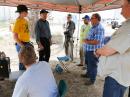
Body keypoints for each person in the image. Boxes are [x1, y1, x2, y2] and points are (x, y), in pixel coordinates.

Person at [96, 0, 130, 97]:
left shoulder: (128, 27)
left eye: (123, 5)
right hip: (120, 75)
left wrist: (97, 50)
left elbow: (108, 50)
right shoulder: (127, 25)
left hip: (116, 77)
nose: (121, 9)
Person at [81, 13, 105, 85]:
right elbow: (91, 37)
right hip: (88, 50)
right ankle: (88, 74)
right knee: (88, 64)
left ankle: (92, 80)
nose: (90, 20)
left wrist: (86, 41)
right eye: (91, 18)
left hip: (93, 51)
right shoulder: (93, 27)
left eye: (92, 18)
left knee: (93, 65)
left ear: (97, 19)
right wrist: (87, 40)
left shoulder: (99, 28)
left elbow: (97, 42)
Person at [13, 5, 31, 70]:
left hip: (27, 43)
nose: (27, 13)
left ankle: (26, 77)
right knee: (22, 62)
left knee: (28, 62)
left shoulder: (25, 20)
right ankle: (21, 77)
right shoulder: (18, 21)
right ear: (21, 12)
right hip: (21, 44)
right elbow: (15, 36)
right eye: (26, 11)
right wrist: (22, 46)